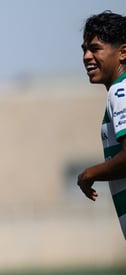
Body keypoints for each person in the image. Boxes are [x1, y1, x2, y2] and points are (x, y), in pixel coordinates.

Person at [77, 10, 126, 239]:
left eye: (95, 49)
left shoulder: (121, 92)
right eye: (84, 49)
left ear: (123, 52)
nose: (87, 56)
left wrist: (89, 174)